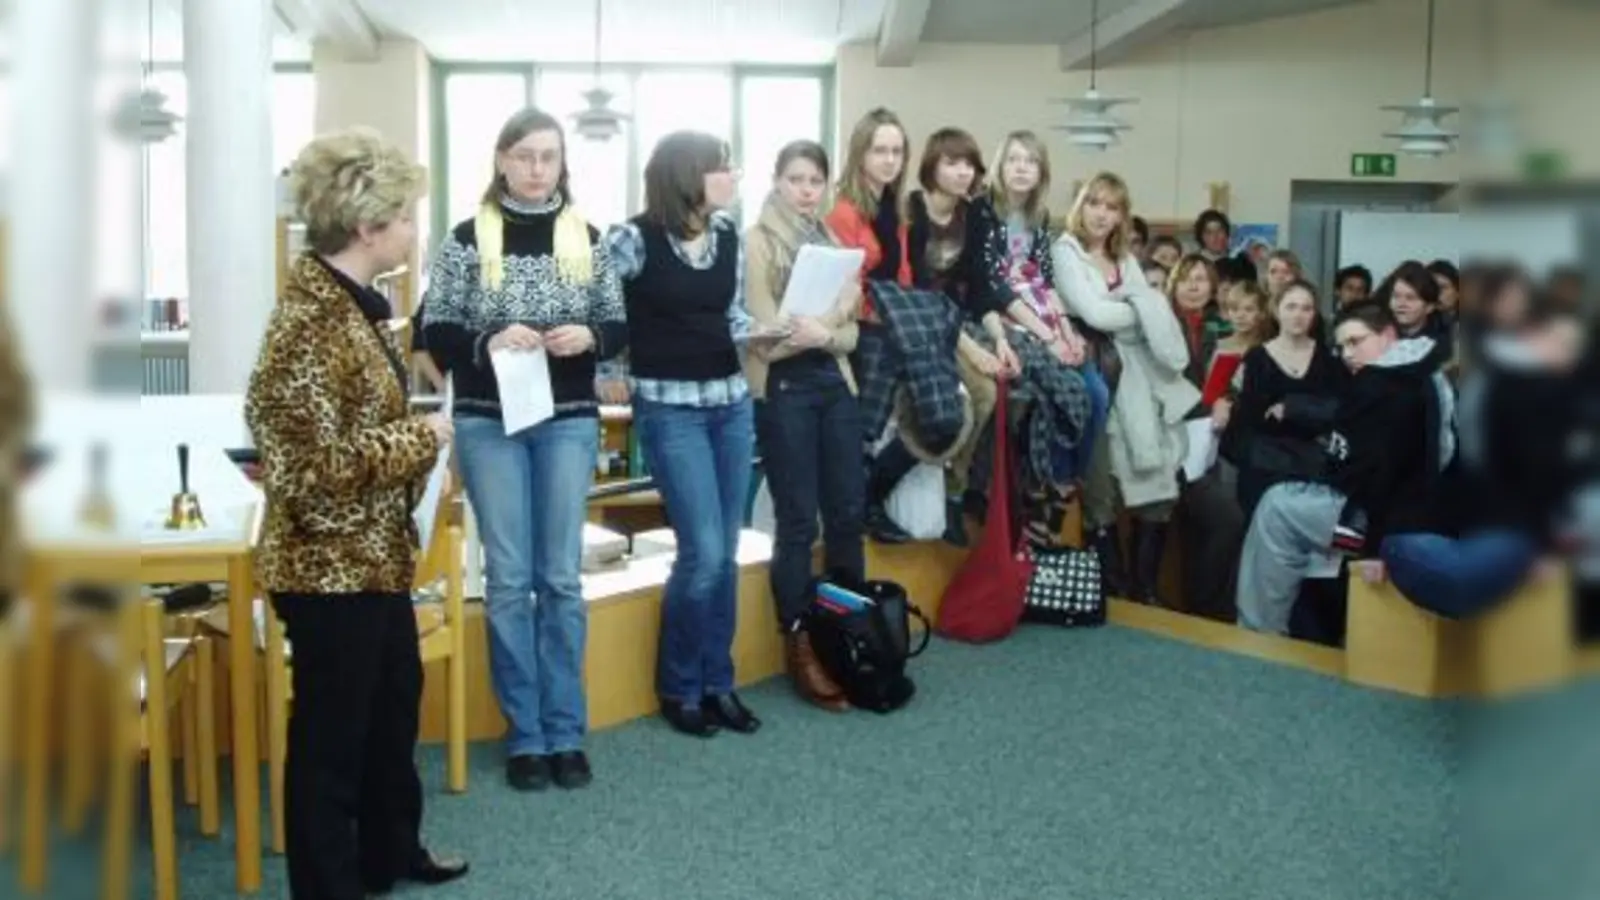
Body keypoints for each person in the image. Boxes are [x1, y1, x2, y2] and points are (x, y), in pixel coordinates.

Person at [245, 128, 468, 899]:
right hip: (326, 568)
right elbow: (307, 471)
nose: (412, 230)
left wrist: (413, 444)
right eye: (404, 217)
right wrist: (421, 437)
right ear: (368, 227)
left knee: (391, 712)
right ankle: (328, 884)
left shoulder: (353, 306)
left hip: (371, 559)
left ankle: (388, 851)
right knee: (331, 742)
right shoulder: (307, 323)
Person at [421, 107, 626, 792]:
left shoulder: (588, 238)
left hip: (567, 419)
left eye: (549, 157)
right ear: (501, 160)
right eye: (525, 156)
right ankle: (527, 735)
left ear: (563, 164)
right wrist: (487, 339)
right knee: (509, 579)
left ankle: (566, 729)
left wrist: (590, 337)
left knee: (560, 577)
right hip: (489, 421)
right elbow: (436, 329)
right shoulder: (463, 239)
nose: (538, 169)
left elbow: (616, 322)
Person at [605, 131, 758, 739]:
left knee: (726, 554)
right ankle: (680, 685)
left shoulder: (727, 236)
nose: (733, 176)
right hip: (671, 410)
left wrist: (766, 333)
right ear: (688, 176)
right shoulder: (631, 238)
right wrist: (607, 369)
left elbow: (733, 315)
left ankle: (718, 681)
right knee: (704, 555)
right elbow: (600, 310)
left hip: (730, 405)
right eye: (723, 167)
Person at [1234, 301, 1453, 635]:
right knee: (1289, 501)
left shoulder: (1386, 386)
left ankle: (1259, 637)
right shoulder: (1422, 368)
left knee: (1276, 509)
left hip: (1382, 528)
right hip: (1411, 515)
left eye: (1356, 341)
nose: (1348, 354)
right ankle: (1309, 631)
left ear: (1388, 335)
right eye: (1342, 346)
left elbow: (1377, 477)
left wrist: (1377, 549)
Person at [743, 139, 863, 711]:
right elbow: (766, 334)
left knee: (847, 515)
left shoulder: (832, 241)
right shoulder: (756, 240)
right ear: (776, 181)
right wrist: (826, 323)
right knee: (798, 521)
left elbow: (852, 332)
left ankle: (851, 634)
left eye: (816, 180)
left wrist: (825, 331)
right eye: (796, 179)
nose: (807, 190)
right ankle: (800, 644)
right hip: (784, 388)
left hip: (835, 383)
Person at [1053, 173, 1199, 604]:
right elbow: (1095, 314)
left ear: (1122, 215)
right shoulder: (1065, 251)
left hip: (1138, 377)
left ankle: (1145, 592)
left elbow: (1136, 312)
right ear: (1081, 206)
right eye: (1094, 203)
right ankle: (1111, 591)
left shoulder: (1125, 259)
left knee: (1157, 484)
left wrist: (1137, 307)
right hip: (1094, 375)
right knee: (1100, 489)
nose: (1102, 214)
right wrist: (1142, 307)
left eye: (1112, 207)